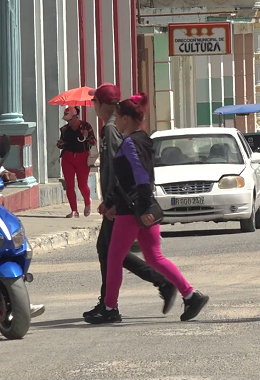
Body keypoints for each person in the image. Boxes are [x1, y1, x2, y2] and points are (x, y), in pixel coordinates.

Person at [84, 92, 209, 324]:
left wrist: (138, 208)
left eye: (118, 117)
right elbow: (130, 178)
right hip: (142, 206)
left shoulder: (130, 143)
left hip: (134, 209)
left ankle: (110, 308)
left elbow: (139, 177)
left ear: (125, 119)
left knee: (114, 257)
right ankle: (191, 295)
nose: (116, 120)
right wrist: (112, 203)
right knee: (154, 257)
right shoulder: (144, 139)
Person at [83, 83, 175, 321]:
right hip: (120, 201)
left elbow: (121, 170)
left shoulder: (114, 130)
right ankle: (112, 301)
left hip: (124, 202)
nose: (93, 106)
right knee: (112, 252)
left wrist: (113, 201)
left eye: (94, 102)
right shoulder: (110, 128)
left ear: (102, 105)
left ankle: (110, 305)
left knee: (112, 253)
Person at [57, 106, 96, 218]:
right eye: (67, 119)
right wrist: (60, 143)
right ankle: (74, 210)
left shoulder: (85, 126)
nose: (68, 121)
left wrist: (87, 137)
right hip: (68, 157)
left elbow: (93, 142)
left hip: (82, 157)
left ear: (75, 116)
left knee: (82, 184)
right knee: (69, 184)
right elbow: (61, 143)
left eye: (70, 119)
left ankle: (87, 202)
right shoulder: (64, 129)